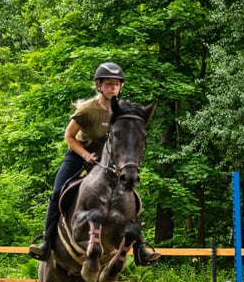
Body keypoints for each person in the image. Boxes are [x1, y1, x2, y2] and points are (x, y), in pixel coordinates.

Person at [28, 62, 160, 265]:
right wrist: (85, 155)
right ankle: (46, 242)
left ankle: (140, 247)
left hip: (108, 159)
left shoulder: (122, 109)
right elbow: (69, 136)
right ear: (99, 86)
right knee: (57, 192)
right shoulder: (88, 109)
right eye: (109, 84)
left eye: (117, 85)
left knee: (131, 195)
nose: (113, 88)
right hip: (80, 154)